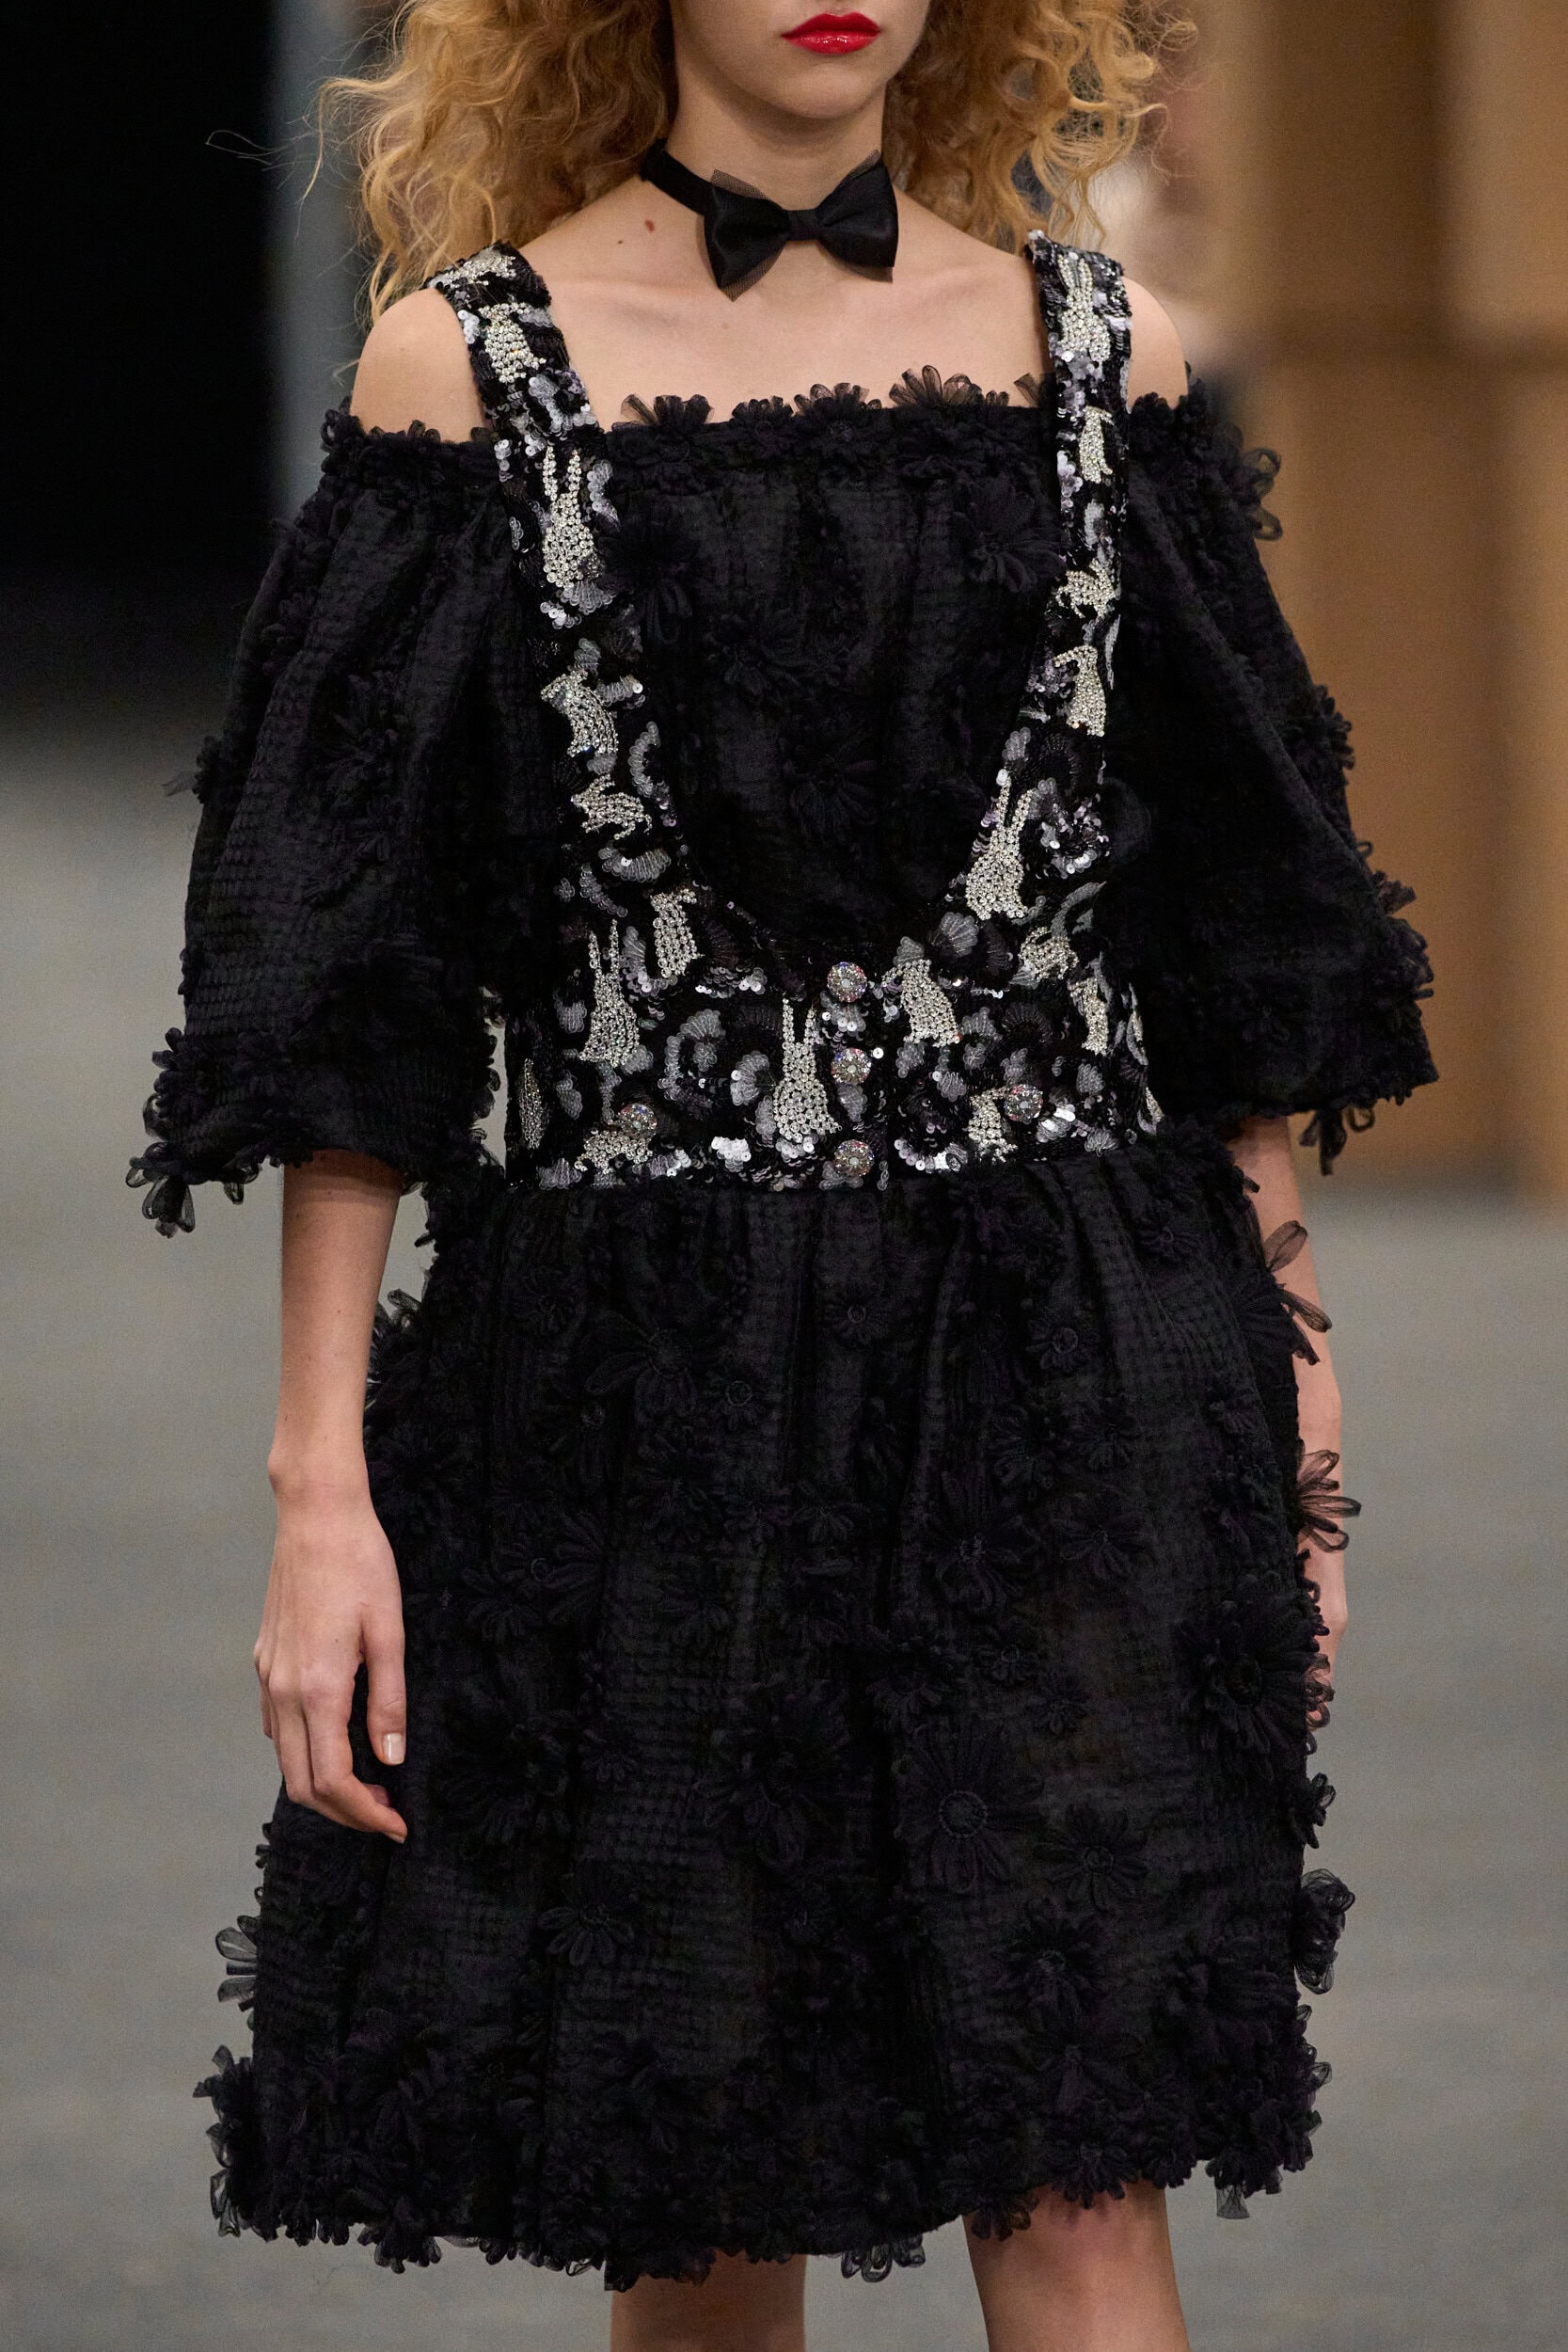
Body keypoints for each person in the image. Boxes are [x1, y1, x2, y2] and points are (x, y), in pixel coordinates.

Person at [130, 4, 1434, 2345]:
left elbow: (1236, 945)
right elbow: (360, 997)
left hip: (1070, 1364)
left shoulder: (1101, 360)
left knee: (1079, 2165)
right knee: (701, 2190)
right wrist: (322, 1487)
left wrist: (1300, 1404)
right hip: (644, 1383)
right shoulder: (467, 373)